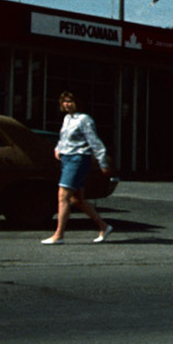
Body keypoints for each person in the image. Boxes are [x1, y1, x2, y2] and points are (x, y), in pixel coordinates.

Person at [42, 91, 113, 244]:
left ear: (78, 103)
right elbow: (63, 138)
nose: (67, 104)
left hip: (78, 159)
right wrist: (58, 148)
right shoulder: (67, 118)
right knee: (77, 199)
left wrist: (103, 163)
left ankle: (58, 235)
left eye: (70, 101)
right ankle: (104, 226)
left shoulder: (84, 119)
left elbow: (95, 142)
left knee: (63, 196)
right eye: (64, 101)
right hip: (67, 159)